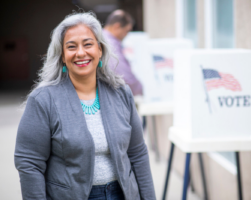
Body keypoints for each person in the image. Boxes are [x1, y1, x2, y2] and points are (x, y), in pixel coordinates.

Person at [14, 12, 155, 200]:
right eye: (71, 47)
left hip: (124, 194)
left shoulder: (120, 92)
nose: (81, 53)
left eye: (88, 44)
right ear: (62, 56)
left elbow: (137, 153)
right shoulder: (43, 100)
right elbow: (29, 163)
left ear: (100, 50)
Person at [103, 10, 143, 96]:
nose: (126, 35)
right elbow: (123, 75)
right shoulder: (110, 44)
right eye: (127, 31)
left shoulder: (102, 38)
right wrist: (139, 89)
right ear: (117, 26)